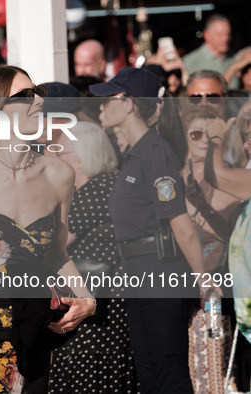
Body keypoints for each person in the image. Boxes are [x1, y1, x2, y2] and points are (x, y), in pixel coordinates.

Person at [0, 65, 96, 393]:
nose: (38, 101)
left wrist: (88, 299)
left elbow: (57, 255)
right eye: (24, 95)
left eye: (38, 92)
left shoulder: (59, 174)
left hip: (39, 329)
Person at [89, 67, 217, 393]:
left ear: (129, 103)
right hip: (139, 274)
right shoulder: (135, 154)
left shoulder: (155, 152)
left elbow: (181, 224)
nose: (101, 106)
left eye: (109, 99)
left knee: (167, 371)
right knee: (150, 371)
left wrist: (204, 282)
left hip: (160, 273)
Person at [46, 121, 139, 392]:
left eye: (59, 152)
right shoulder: (110, 184)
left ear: (82, 156)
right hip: (99, 301)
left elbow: (55, 243)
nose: (55, 159)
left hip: (99, 307)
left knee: (90, 377)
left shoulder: (98, 189)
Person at [179, 105, 242, 393]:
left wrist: (205, 207)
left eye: (210, 134)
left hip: (218, 291)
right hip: (177, 290)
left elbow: (233, 237)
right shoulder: (172, 179)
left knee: (217, 373)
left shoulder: (229, 179)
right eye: (196, 133)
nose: (204, 140)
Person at [183, 14, 236, 88]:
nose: (226, 38)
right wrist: (234, 68)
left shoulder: (233, 58)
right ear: (206, 35)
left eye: (228, 34)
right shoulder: (190, 61)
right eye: (220, 34)